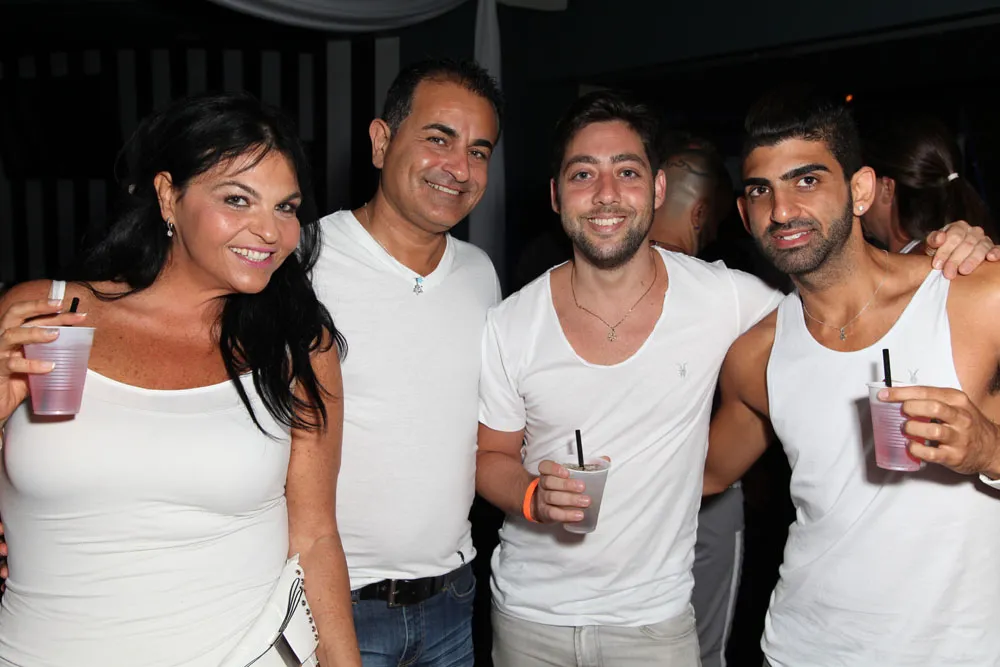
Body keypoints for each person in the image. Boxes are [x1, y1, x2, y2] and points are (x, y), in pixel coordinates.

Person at [0, 92, 360, 665]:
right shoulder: (48, 315)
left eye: (286, 207)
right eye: (237, 199)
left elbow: (315, 537)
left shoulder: (296, 347)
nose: (270, 231)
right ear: (169, 195)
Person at [704, 88, 1000, 666]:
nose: (782, 211)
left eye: (807, 180)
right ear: (743, 213)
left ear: (861, 190)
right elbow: (703, 475)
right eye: (761, 190)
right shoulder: (755, 354)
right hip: (801, 649)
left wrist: (989, 450)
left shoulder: (974, 295)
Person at [310, 59, 503, 666]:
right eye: (438, 139)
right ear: (381, 141)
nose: (460, 168)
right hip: (332, 604)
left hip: (453, 600)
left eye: (478, 151)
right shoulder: (302, 261)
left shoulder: (480, 275)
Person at [649, 139, 744, 667]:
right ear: (702, 213)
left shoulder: (594, 274)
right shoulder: (725, 292)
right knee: (702, 649)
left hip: (618, 501)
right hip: (705, 500)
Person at [861, 112, 998, 257]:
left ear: (887, 188)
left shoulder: (923, 261)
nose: (858, 193)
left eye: (866, 181)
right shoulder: (968, 249)